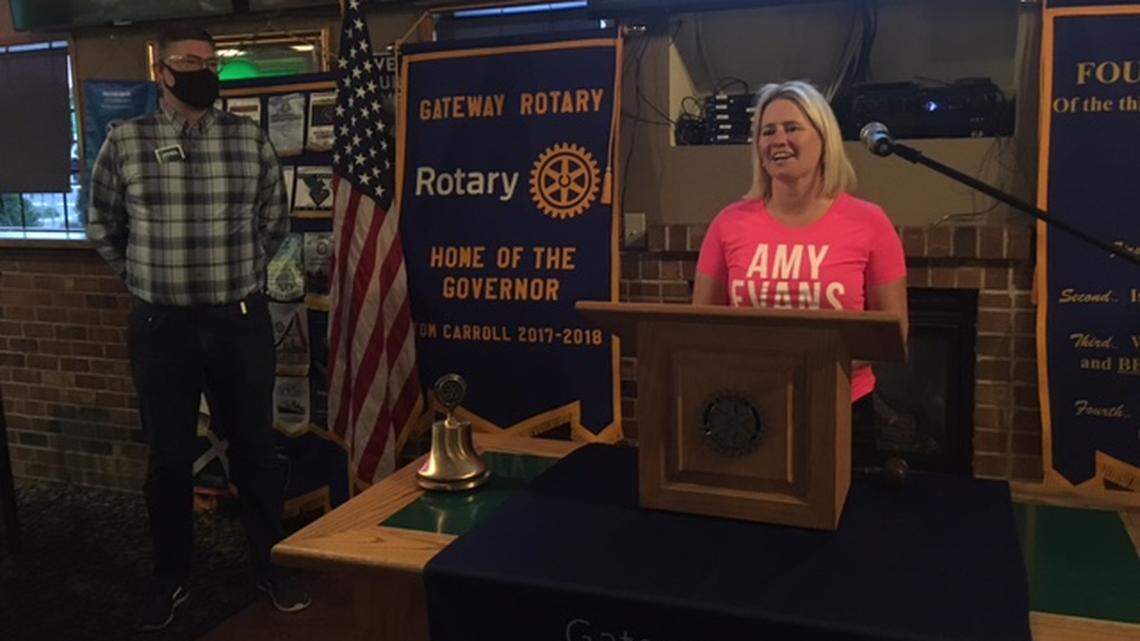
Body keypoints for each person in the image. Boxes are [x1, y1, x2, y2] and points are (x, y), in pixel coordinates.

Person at [86, 26, 310, 630]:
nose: (203, 71)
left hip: (237, 322)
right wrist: (143, 277)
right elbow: (102, 224)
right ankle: (170, 577)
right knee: (167, 460)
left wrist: (236, 277)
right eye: (190, 61)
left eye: (212, 62)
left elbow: (274, 221)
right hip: (162, 327)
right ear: (163, 71)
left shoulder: (248, 140)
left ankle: (271, 565)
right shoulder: (125, 141)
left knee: (256, 453)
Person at [692, 80, 909, 468]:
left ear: (824, 136)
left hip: (840, 407)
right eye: (767, 131)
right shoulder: (728, 224)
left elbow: (892, 336)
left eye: (792, 128)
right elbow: (701, 326)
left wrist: (804, 368)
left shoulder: (869, 222)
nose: (778, 139)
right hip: (746, 408)